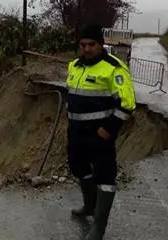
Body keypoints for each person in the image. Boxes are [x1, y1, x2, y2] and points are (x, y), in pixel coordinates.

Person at [66, 24, 136, 240]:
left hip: (99, 135)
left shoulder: (114, 67)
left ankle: (98, 228)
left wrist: (108, 131)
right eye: (83, 45)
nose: (86, 49)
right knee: (79, 169)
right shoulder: (75, 66)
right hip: (76, 133)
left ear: (101, 44)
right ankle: (89, 206)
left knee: (105, 177)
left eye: (91, 45)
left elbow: (127, 104)